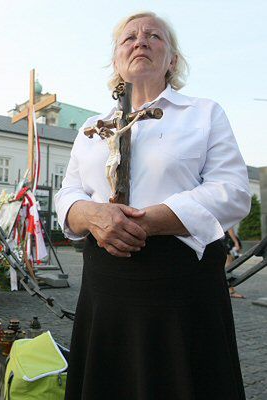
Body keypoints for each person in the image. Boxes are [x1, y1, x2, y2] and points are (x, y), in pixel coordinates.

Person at [54, 12, 251, 400]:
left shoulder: (203, 114)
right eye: (129, 37)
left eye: (154, 36)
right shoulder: (93, 127)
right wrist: (92, 216)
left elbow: (232, 191)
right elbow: (68, 192)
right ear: (116, 60)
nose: (140, 41)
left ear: (172, 60)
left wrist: (143, 222)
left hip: (180, 288)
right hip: (106, 287)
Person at [224, 227, 244, 298]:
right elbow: (229, 228)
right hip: (226, 241)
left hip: (222, 239)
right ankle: (231, 291)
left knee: (227, 267)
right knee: (228, 267)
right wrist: (236, 241)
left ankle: (229, 289)